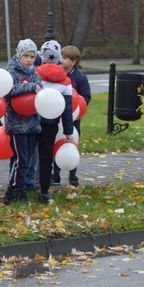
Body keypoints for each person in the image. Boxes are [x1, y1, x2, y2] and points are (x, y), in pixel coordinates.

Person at [3, 39, 42, 204]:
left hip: (32, 123)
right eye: (26, 55)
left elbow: (40, 91)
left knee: (26, 161)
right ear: (19, 55)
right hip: (17, 124)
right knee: (21, 161)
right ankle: (14, 191)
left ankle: (21, 188)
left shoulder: (34, 73)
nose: (29, 60)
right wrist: (30, 87)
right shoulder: (11, 72)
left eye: (32, 56)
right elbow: (9, 90)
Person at [35, 41, 74, 203]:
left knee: (29, 155)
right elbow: (67, 109)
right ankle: (44, 191)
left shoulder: (34, 74)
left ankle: (25, 186)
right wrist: (68, 131)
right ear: (58, 58)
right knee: (46, 157)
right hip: (50, 124)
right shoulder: (64, 81)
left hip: (32, 120)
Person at [53, 45, 91, 187]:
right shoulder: (56, 75)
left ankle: (73, 175)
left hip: (74, 118)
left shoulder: (80, 78)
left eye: (64, 57)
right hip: (57, 116)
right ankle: (55, 173)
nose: (61, 60)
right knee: (56, 142)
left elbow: (86, 97)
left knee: (72, 143)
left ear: (73, 62)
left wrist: (78, 107)